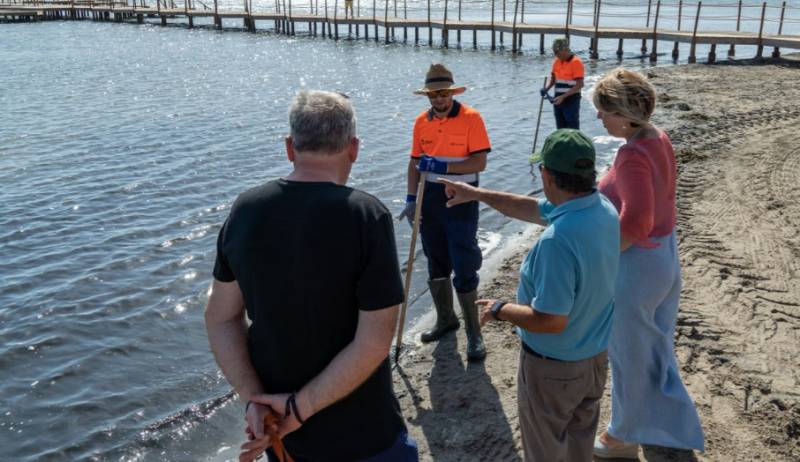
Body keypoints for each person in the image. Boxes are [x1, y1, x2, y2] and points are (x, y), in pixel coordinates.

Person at [205, 90, 418, 462]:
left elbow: (221, 319)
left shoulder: (245, 209)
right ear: (354, 148)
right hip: (363, 435)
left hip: (281, 438)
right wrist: (298, 409)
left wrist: (255, 399)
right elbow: (373, 342)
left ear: (290, 147)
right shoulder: (366, 216)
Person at [441, 129, 620, 462]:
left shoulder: (557, 240)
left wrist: (500, 309)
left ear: (547, 174)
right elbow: (529, 208)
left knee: (545, 451)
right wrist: (476, 193)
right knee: (579, 442)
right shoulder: (601, 209)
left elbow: (551, 320)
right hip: (594, 357)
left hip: (555, 370)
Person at [591, 69, 705, 459]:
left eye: (603, 111)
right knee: (654, 350)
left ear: (622, 113)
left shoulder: (630, 153)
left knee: (628, 355)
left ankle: (622, 436)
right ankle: (665, 425)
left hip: (638, 267)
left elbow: (637, 221)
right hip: (664, 256)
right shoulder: (657, 137)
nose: (599, 118)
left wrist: (602, 258)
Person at [397, 63, 492, 361]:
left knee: (464, 260)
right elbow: (414, 162)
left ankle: (474, 334)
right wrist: (411, 199)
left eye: (444, 93)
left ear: (451, 92)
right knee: (435, 259)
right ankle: (445, 319)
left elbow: (478, 163)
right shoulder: (420, 122)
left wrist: (442, 167)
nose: (439, 99)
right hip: (430, 197)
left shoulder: (471, 118)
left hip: (462, 195)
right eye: (434, 94)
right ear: (427, 95)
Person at [541, 38, 585, 130]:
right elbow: (553, 79)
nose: (556, 55)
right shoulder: (556, 61)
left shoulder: (576, 62)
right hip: (558, 99)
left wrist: (563, 97)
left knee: (572, 127)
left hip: (572, 99)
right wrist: (546, 88)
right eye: (555, 53)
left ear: (565, 50)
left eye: (558, 52)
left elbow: (580, 84)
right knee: (560, 128)